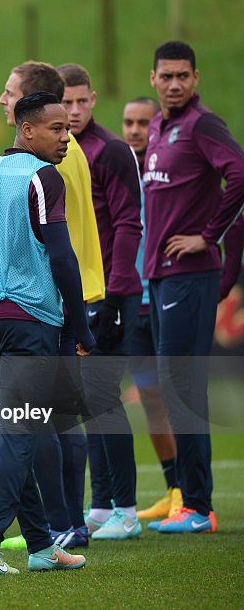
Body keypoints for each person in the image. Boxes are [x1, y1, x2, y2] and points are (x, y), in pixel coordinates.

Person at [0, 92, 93, 575]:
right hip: (32, 321)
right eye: (56, 129)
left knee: (14, 434)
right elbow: (63, 258)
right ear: (26, 130)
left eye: (68, 129)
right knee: (21, 434)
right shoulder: (43, 178)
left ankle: (40, 547)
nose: (65, 138)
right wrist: (80, 326)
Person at [0, 61, 102, 550]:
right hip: (63, 293)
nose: (3, 100)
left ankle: (62, 523)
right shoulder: (65, 152)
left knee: (37, 418)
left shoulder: (51, 160)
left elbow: (54, 240)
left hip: (50, 298)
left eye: (11, 93)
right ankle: (68, 522)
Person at [141, 41, 244, 534]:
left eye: (184, 75)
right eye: (167, 76)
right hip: (160, 275)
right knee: (172, 386)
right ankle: (187, 500)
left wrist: (209, 236)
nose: (175, 83)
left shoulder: (203, 125)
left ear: (196, 79)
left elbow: (239, 174)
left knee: (184, 388)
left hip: (191, 275)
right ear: (154, 79)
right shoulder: (160, 127)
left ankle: (199, 507)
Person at [58, 63, 144, 540]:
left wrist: (111, 293)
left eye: (80, 102)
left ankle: (126, 510)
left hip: (112, 293)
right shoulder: (57, 148)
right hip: (79, 293)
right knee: (88, 401)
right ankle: (101, 503)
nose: (72, 111)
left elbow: (129, 223)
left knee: (103, 398)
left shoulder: (110, 151)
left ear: (92, 100)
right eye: (64, 102)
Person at [118, 97, 182, 520]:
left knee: (174, 398)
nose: (136, 129)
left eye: (144, 122)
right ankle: (174, 487)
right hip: (128, 301)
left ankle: (189, 491)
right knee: (150, 400)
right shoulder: (113, 169)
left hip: (164, 294)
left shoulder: (169, 171)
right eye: (128, 122)